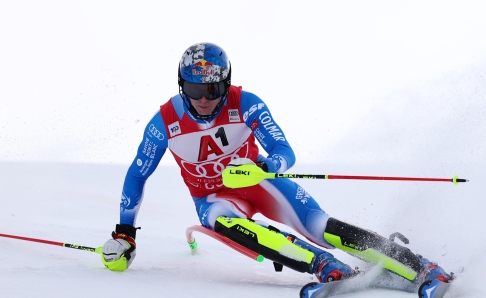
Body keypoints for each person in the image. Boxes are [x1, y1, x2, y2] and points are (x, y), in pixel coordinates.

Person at [101, 42, 453, 285]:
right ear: (182, 86)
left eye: (213, 89)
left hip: (259, 181)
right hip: (213, 198)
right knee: (223, 221)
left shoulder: (246, 102)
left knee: (320, 227)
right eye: (195, 90)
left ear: (226, 82)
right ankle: (323, 266)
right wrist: (125, 233)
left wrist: (268, 166)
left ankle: (419, 265)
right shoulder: (165, 122)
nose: (205, 100)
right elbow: (137, 174)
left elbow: (284, 150)